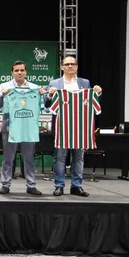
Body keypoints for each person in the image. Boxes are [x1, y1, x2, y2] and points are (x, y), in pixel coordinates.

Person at [47, 55, 102, 197]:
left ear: (76, 67)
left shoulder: (85, 83)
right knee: (59, 158)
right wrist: (49, 95)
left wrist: (98, 93)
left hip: (81, 127)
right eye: (67, 64)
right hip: (62, 128)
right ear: (62, 67)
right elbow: (47, 105)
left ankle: (76, 186)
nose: (70, 66)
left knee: (79, 158)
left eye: (73, 64)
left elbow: (92, 100)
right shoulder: (54, 83)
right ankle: (59, 185)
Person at [0, 61, 45, 195]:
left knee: (29, 157)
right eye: (16, 70)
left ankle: (31, 184)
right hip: (9, 126)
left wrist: (43, 94)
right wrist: (2, 95)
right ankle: (5, 184)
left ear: (26, 72)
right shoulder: (4, 86)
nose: (19, 73)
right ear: (12, 72)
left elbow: (43, 105)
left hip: (27, 126)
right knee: (8, 157)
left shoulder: (34, 88)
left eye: (22, 70)